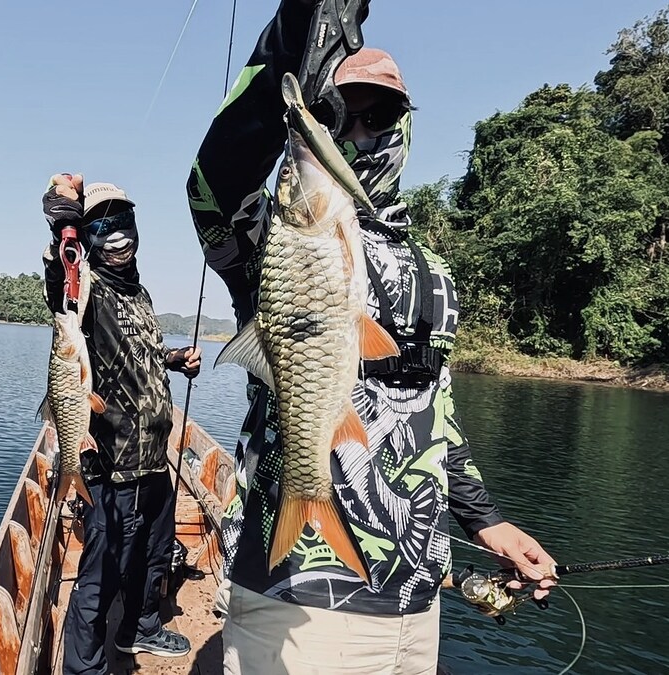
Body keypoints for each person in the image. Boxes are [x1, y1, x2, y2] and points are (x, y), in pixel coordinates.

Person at [185, 2, 558, 673]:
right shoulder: (270, 235)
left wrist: (487, 520)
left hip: (416, 595)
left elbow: (434, 412)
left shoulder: (435, 275)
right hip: (297, 591)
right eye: (338, 114)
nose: (356, 131)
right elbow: (213, 183)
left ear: (404, 128)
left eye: (378, 115)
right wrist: (303, 24)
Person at [41, 174, 204, 675]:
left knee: (153, 557)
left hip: (156, 456)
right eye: (102, 226)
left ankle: (141, 629)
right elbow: (60, 286)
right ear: (89, 237)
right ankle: (84, 667)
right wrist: (62, 224)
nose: (117, 236)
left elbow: (141, 354)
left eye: (123, 222)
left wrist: (176, 358)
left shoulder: (141, 294)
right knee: (101, 576)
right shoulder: (88, 289)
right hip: (111, 466)